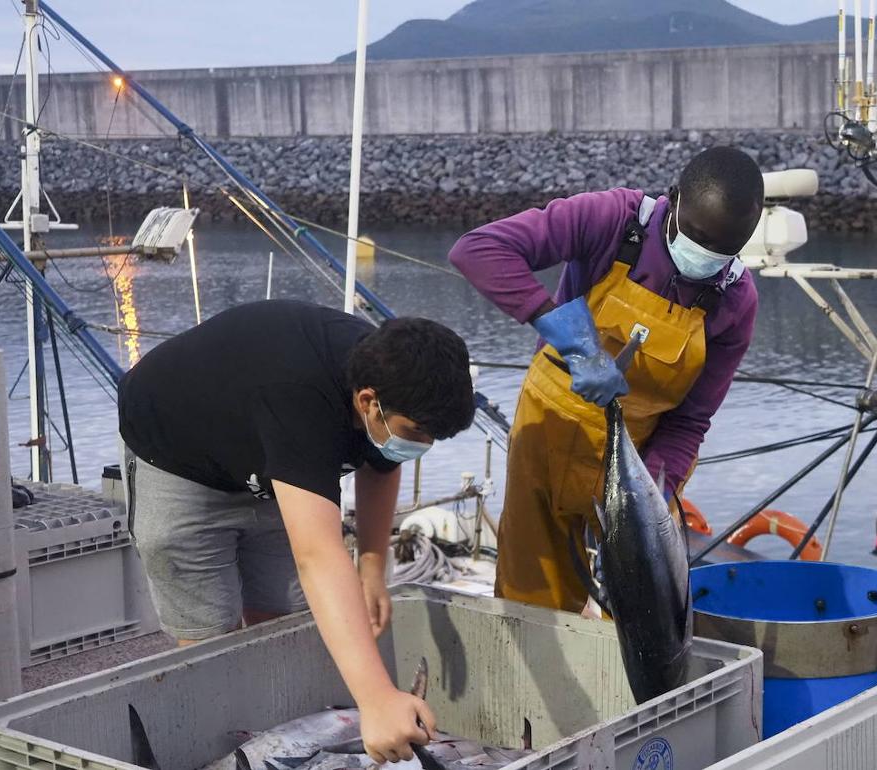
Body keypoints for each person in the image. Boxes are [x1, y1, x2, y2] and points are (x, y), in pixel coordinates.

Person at [117, 299, 476, 762]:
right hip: (175, 458)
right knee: (212, 643)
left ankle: (279, 741)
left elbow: (382, 465)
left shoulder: (392, 378)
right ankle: (222, 750)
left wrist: (372, 567)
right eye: (417, 432)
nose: (421, 446)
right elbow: (318, 557)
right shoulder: (300, 400)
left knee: (283, 621)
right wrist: (377, 698)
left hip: (271, 459)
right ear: (367, 402)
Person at [449, 146, 764, 612]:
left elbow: (690, 422)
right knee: (531, 601)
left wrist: (654, 494)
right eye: (697, 237)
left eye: (724, 250)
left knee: (639, 613)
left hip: (633, 459)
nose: (705, 256)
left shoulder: (734, 301)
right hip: (548, 435)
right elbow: (477, 249)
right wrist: (566, 332)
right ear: (673, 198)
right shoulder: (614, 221)